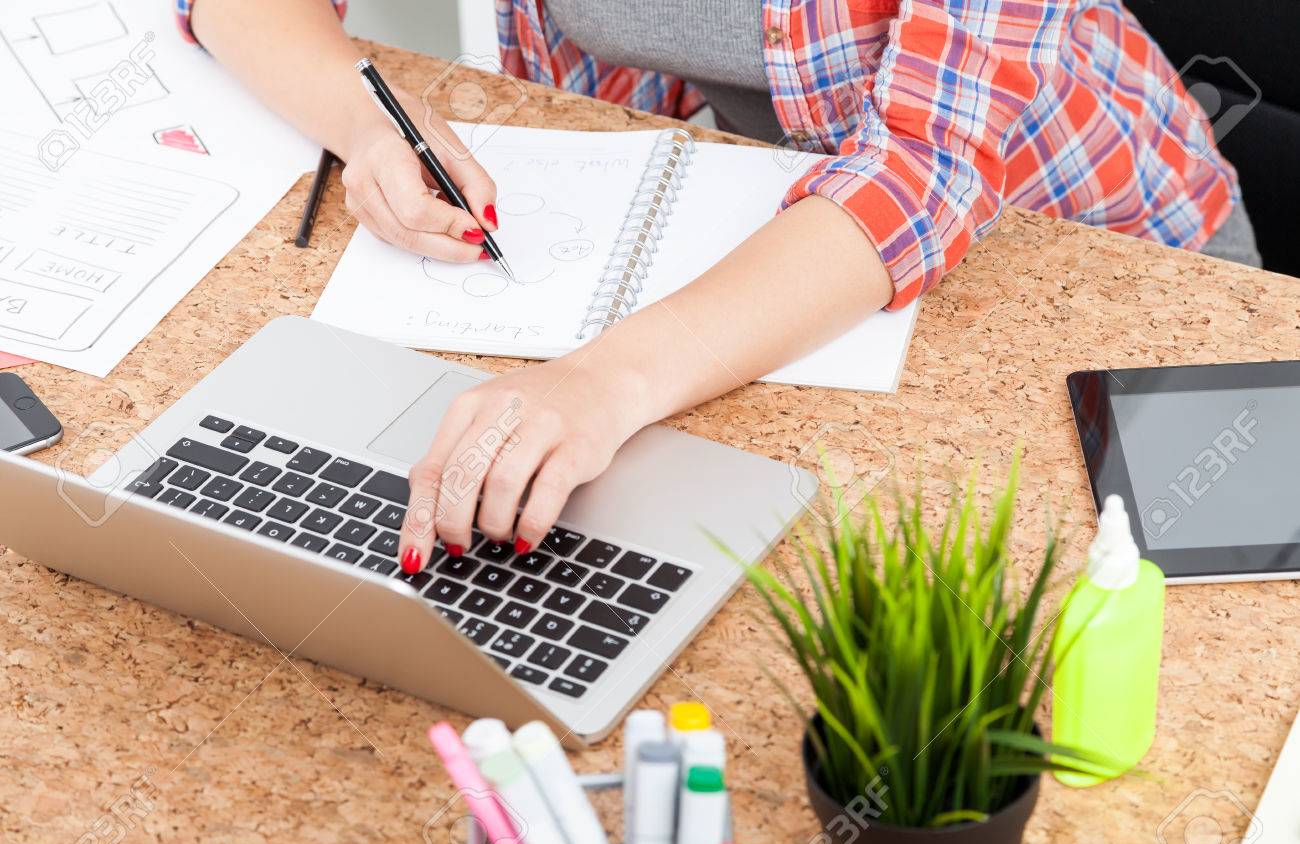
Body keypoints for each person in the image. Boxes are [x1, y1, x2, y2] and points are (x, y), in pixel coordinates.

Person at [180, 0, 1259, 574]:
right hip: (772, 258)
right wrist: (371, 125)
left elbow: (918, 178)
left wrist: (598, 386)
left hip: (1103, 279)